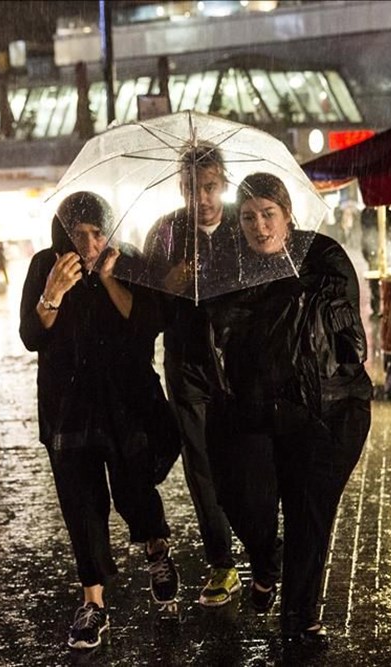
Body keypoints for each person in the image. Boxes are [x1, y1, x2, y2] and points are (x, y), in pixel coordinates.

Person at [206, 172, 373, 641]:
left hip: (328, 410)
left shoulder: (320, 256)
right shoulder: (229, 268)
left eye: (268, 214)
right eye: (248, 217)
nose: (260, 227)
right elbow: (222, 335)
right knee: (246, 505)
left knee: (308, 513)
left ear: (286, 213)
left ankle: (300, 618)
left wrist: (292, 292)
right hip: (256, 414)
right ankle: (264, 561)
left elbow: (343, 337)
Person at [20, 191, 180, 650]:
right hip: (68, 410)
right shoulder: (43, 267)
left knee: (134, 488)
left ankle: (156, 549)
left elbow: (147, 324)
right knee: (81, 504)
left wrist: (110, 281)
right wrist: (52, 294)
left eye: (97, 233)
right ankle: (93, 602)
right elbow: (31, 337)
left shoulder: (128, 262)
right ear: (62, 236)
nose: (89, 244)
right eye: (78, 235)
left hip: (124, 405)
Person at [142, 142, 243, 608]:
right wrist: (170, 287)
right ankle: (222, 563)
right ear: (180, 188)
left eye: (209, 187)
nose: (201, 198)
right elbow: (148, 308)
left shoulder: (245, 225)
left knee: (247, 460)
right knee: (201, 467)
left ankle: (261, 545)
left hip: (240, 364)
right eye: (191, 188)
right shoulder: (165, 233)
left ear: (223, 183)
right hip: (185, 365)